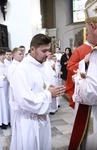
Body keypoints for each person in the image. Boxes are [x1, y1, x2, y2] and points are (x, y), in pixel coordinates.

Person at [10, 34, 65, 150]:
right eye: (43, 51)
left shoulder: (45, 66)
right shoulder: (22, 69)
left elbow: (48, 87)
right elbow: (24, 100)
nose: (47, 54)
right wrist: (49, 94)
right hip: (28, 121)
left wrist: (54, 92)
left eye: (48, 51)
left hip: (43, 118)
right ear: (33, 49)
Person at [68, 0, 97, 149]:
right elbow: (70, 66)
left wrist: (79, 77)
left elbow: (90, 93)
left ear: (92, 26)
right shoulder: (81, 50)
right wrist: (83, 64)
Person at [6, 47, 24, 126]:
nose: (22, 56)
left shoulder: (22, 65)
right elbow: (12, 81)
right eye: (20, 54)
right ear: (14, 55)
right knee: (16, 112)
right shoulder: (12, 67)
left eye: (22, 54)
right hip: (16, 92)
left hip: (22, 91)